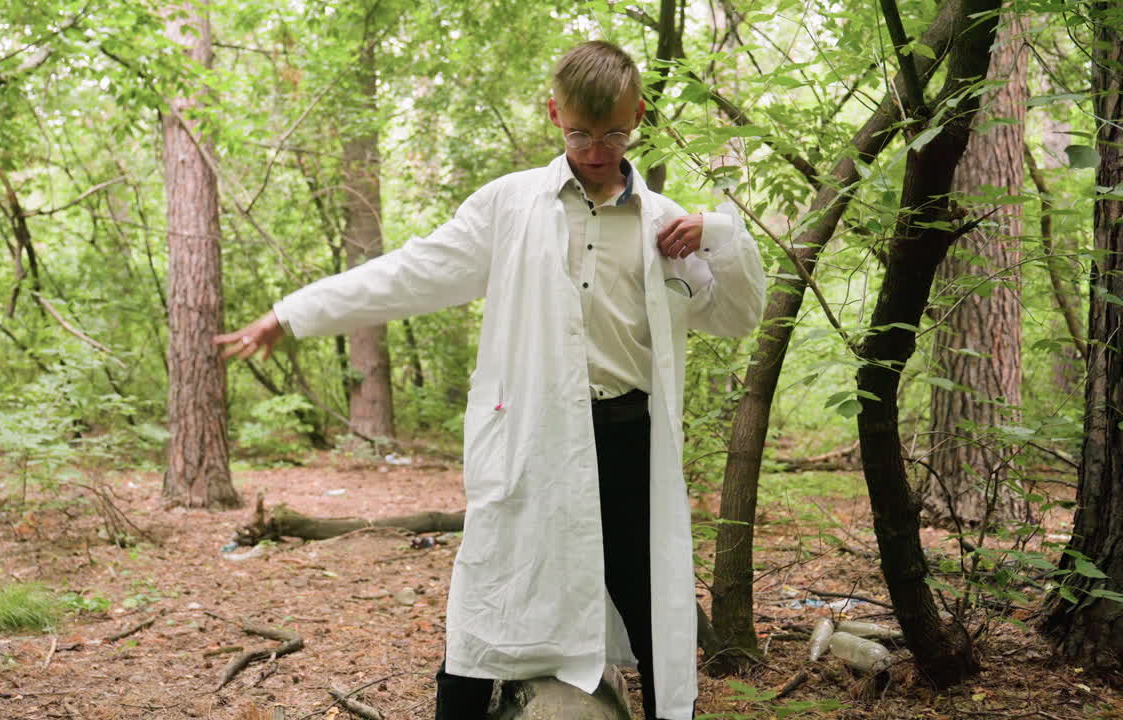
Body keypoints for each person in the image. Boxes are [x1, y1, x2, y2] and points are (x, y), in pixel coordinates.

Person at [215, 40, 766, 720]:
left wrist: (717, 233)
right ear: (553, 115)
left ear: (639, 118)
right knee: (489, 597)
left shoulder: (666, 225)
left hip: (629, 442)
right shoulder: (511, 207)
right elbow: (409, 273)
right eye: (580, 133)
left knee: (651, 603)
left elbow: (739, 316)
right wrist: (293, 313)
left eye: (615, 133)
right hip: (532, 439)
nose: (597, 149)